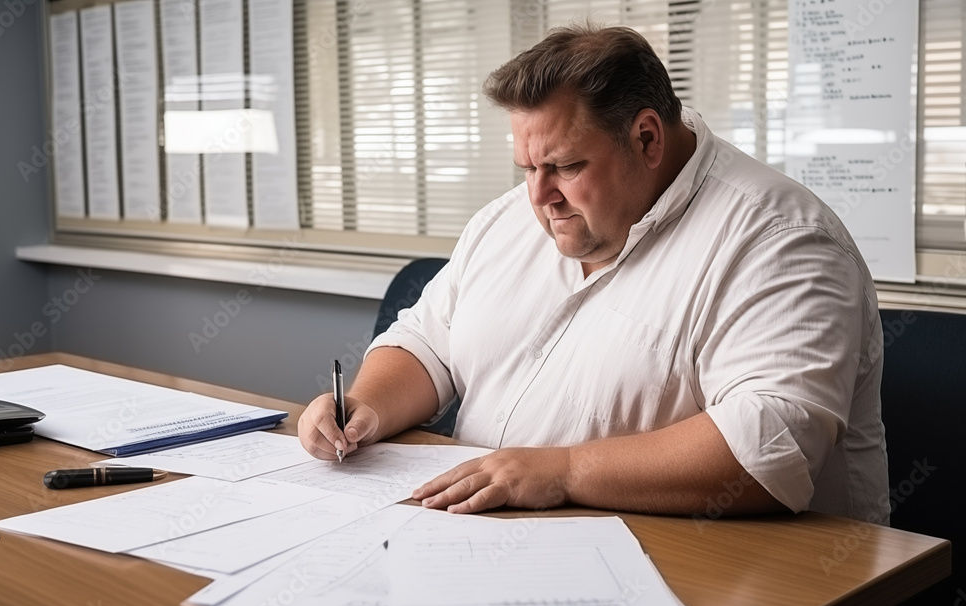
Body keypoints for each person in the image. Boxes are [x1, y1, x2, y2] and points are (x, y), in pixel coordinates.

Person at [298, 24, 890, 525]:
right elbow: (428, 342)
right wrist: (365, 406)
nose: (538, 196)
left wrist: (563, 471)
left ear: (647, 138)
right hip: (493, 541)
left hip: (724, 569)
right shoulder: (508, 218)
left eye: (565, 165)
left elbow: (770, 447)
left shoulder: (781, 239)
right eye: (526, 167)